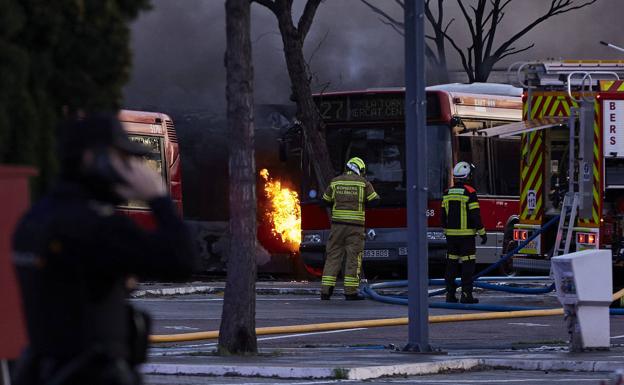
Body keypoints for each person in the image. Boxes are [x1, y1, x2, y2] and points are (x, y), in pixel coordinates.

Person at [11, 113, 197, 385]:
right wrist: (158, 198)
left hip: (43, 370)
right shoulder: (97, 225)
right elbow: (182, 261)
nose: (131, 168)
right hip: (91, 374)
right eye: (122, 159)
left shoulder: (34, 219)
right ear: (91, 159)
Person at [320, 157, 380, 301]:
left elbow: (324, 201)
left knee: (333, 257)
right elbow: (375, 200)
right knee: (353, 258)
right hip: (355, 228)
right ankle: (350, 292)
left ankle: (326, 291)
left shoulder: (335, 182)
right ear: (359, 169)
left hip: (337, 227)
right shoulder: (363, 183)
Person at [441, 161, 486, 304]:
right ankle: (466, 295)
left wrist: (446, 231)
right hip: (466, 237)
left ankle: (450, 294)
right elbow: (475, 215)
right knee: (468, 265)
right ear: (467, 176)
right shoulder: (470, 192)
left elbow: (443, 216)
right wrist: (482, 233)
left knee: (451, 265)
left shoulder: (446, 193)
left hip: (451, 237)